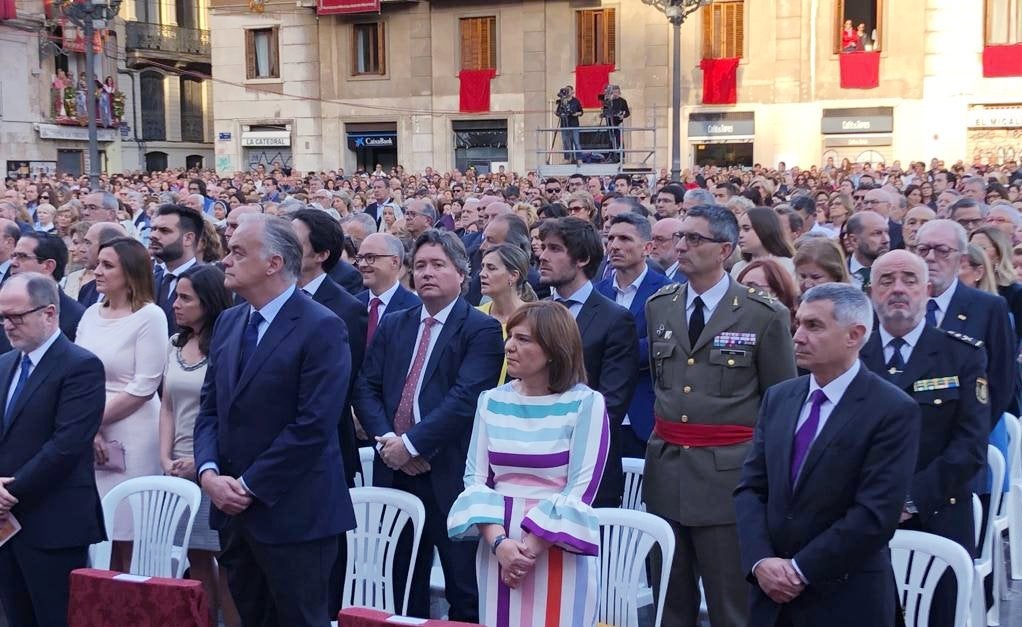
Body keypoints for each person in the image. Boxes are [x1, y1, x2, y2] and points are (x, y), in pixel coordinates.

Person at [193, 214, 356, 627]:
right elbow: (210, 409)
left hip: (295, 517)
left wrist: (248, 486)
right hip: (235, 515)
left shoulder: (322, 326)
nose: (226, 260)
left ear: (274, 264)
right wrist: (209, 473)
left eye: (238, 252)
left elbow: (314, 425)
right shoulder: (230, 321)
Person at [644, 204, 797, 627]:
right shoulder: (662, 305)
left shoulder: (762, 314)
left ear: (725, 249)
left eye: (695, 239)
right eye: (680, 237)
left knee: (731, 602)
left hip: (728, 478)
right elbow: (664, 383)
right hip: (668, 469)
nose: (681, 246)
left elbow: (779, 404)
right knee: (669, 602)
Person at [734, 282, 920, 627]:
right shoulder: (780, 398)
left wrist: (800, 570)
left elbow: (875, 515)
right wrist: (762, 561)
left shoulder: (891, 410)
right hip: (771, 598)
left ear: (854, 335)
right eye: (798, 323)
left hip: (844, 598)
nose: (798, 336)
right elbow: (751, 488)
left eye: (814, 326)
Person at [353, 229, 505, 622]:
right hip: (394, 470)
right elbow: (366, 387)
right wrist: (391, 443)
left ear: (460, 273)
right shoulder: (396, 323)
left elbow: (466, 398)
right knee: (400, 582)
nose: (427, 273)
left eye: (438, 265)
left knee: (463, 586)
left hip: (448, 473)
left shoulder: (480, 328)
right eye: (420, 265)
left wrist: (414, 445)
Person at [446, 301, 608, 627]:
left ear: (553, 349)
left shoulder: (586, 403)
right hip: (497, 542)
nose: (510, 346)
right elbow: (475, 479)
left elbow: (582, 487)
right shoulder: (491, 401)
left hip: (557, 544)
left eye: (523, 339)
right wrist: (501, 544)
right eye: (510, 336)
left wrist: (527, 551)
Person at [859, 250, 988, 627]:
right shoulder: (851, 353)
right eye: (886, 280)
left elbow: (970, 444)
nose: (898, 289)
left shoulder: (961, 354)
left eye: (909, 280)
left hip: (938, 512)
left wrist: (909, 498)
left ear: (928, 290)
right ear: (870, 292)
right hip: (858, 514)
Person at [0, 273, 107, 627]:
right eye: (3, 317)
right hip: (6, 526)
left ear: (49, 313)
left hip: (53, 523)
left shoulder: (80, 366)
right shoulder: (5, 364)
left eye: (17, 317)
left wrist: (8, 492)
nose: (8, 326)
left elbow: (66, 446)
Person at [75, 237, 168, 571]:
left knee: (128, 532)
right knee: (97, 532)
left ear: (130, 272)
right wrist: (88, 428)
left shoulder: (150, 316)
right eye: (98, 263)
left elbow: (144, 385)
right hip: (88, 429)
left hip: (133, 433)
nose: (97, 271)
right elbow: (76, 374)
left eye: (107, 265)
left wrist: (90, 423)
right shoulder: (89, 314)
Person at [537, 217, 639, 507]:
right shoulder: (537, 313)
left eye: (555, 249)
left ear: (582, 258)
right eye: (543, 247)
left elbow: (611, 404)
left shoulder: (615, 319)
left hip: (587, 472)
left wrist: (553, 440)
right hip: (531, 470)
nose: (543, 256)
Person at [158, 264, 239, 627]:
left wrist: (200, 460)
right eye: (176, 296)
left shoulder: (225, 346)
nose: (176, 304)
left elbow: (224, 412)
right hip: (175, 466)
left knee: (224, 557)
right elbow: (167, 406)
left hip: (212, 465)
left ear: (207, 302)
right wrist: (165, 456)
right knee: (194, 557)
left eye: (186, 298)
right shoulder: (175, 344)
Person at [291, 208, 367, 489]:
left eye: (294, 243)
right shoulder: (271, 298)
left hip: (324, 450)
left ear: (321, 255)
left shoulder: (347, 309)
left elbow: (342, 387)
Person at [914, 220, 1015, 421]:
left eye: (942, 250)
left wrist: (972, 440)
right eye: (923, 249)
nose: (931, 258)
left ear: (962, 259)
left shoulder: (988, 308)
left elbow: (1001, 382)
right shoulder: (897, 305)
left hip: (964, 432)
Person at [595, 213, 672, 458]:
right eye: (611, 238)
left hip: (643, 414)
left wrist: (610, 350)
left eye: (625, 239)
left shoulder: (667, 292)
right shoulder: (598, 292)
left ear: (647, 247)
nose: (615, 245)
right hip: (601, 415)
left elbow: (663, 343)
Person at [8, 231, 85, 345]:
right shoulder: (6, 304)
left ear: (48, 266)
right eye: (13, 256)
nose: (13, 263)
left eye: (22, 257)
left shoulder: (76, 318)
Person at [477, 243, 535, 385]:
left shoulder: (534, 318)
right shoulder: (475, 315)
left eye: (491, 268)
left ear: (513, 276)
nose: (482, 274)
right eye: (482, 267)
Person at [355, 232, 420, 344]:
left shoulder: (415, 308)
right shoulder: (353, 304)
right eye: (360, 258)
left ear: (394, 262)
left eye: (370, 257)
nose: (362, 264)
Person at [150, 205, 203, 336]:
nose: (153, 235)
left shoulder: (205, 283)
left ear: (188, 238)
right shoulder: (149, 280)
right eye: (153, 229)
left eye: (164, 230)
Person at [970, 225, 1022, 344]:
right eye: (971, 248)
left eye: (982, 248)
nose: (974, 254)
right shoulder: (965, 287)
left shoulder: (1016, 293)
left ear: (999, 255)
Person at [736, 258, 800, 332]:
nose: (745, 292)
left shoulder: (796, 332)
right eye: (741, 287)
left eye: (753, 287)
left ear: (776, 293)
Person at [732, 207, 796, 279]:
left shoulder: (789, 267)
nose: (740, 235)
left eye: (746, 229)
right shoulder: (737, 268)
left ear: (765, 229)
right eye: (739, 229)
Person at [77, 222, 127, 308]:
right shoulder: (87, 289)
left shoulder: (133, 295)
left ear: (108, 244)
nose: (82, 249)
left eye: (88, 243)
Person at [845, 210, 890, 292]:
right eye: (877, 233)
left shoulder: (896, 272)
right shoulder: (839, 273)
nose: (886, 240)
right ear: (854, 240)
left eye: (887, 232)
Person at [555, 85, 583, 164]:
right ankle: (567, 158)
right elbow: (558, 112)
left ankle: (579, 158)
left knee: (576, 142)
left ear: (572, 91)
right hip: (564, 124)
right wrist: (559, 113)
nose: (566, 92)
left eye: (568, 90)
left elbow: (581, 112)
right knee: (565, 142)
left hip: (574, 124)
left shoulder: (576, 101)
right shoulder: (562, 101)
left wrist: (576, 113)